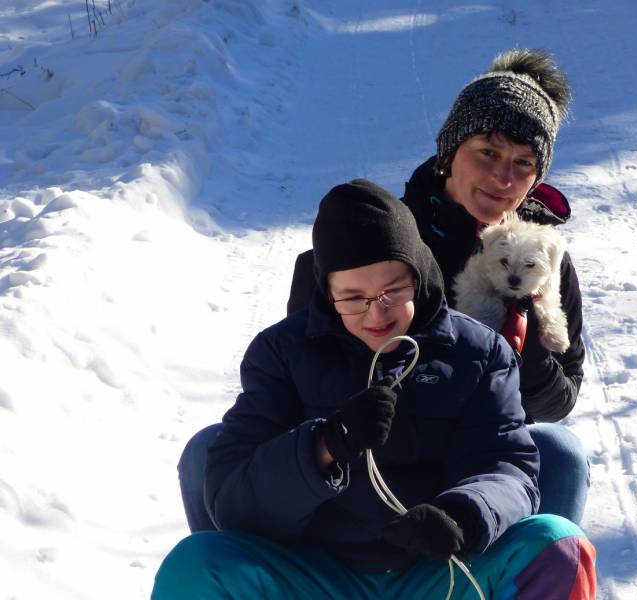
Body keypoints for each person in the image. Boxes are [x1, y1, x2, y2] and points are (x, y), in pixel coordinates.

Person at [177, 48, 589, 531]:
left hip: (470, 463)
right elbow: (305, 374)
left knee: (559, 453)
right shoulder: (367, 241)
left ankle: (524, 564)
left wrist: (526, 343)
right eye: (488, 153)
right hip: (359, 461)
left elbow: (557, 402)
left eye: (524, 163)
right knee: (208, 452)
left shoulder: (541, 260)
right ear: (449, 153)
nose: (503, 178)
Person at [152, 180, 596, 599]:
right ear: (327, 293)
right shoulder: (283, 352)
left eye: (393, 291)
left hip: (437, 572)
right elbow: (233, 500)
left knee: (558, 545)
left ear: (418, 276)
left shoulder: (476, 351)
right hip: (315, 573)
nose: (376, 313)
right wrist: (323, 447)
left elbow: (506, 465)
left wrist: (464, 514)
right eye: (353, 298)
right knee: (197, 563)